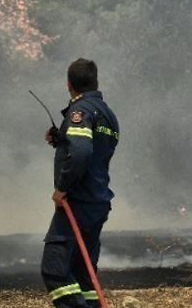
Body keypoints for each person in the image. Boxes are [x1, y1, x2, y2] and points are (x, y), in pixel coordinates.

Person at [41, 58, 120, 308]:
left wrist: (62, 187)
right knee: (84, 274)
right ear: (96, 82)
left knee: (55, 271)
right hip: (97, 200)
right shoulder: (108, 114)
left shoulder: (80, 112)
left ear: (68, 85)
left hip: (78, 201)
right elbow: (93, 149)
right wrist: (61, 140)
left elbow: (82, 152)